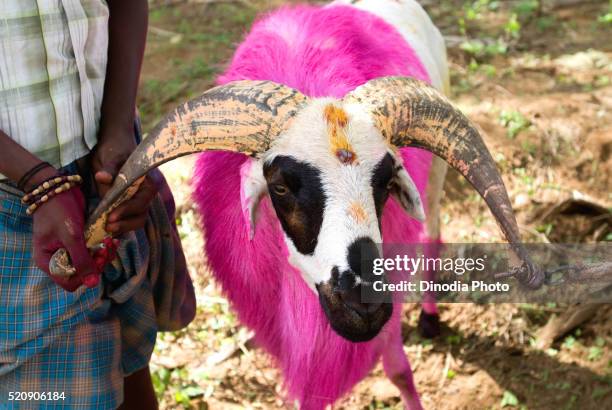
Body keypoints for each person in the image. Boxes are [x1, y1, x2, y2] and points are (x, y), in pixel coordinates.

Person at [0, 1, 195, 408]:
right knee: (39, 392)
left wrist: (119, 131)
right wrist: (36, 181)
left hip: (104, 163)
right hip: (10, 203)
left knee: (127, 364)